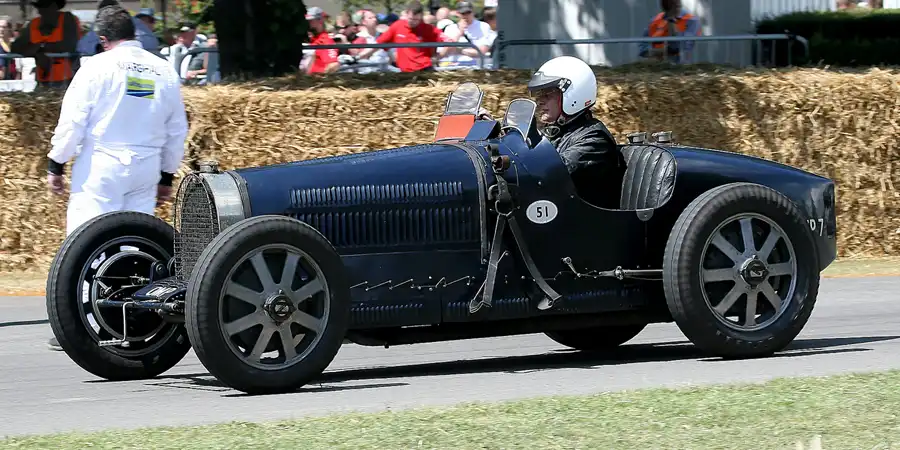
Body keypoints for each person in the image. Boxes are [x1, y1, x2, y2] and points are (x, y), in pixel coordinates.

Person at [44, 5, 188, 351]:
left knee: (82, 245)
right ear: (135, 33)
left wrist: (56, 163)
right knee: (133, 245)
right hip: (146, 166)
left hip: (102, 165)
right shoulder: (163, 69)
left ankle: (78, 327)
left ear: (103, 39)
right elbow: (176, 129)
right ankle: (132, 318)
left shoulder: (96, 67)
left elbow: (74, 121)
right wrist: (167, 175)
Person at [484, 55, 625, 207]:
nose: (540, 100)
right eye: (539, 94)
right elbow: (528, 153)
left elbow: (551, 172)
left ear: (573, 95)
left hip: (581, 225)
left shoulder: (594, 140)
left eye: (548, 94)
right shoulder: (556, 131)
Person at [9, 0, 82, 89]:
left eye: (47, 6)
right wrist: (38, 51)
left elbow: (68, 46)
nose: (43, 11)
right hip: (43, 81)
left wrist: (38, 48)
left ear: (55, 7)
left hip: (69, 80)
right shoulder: (33, 24)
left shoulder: (68, 19)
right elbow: (16, 48)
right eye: (40, 7)